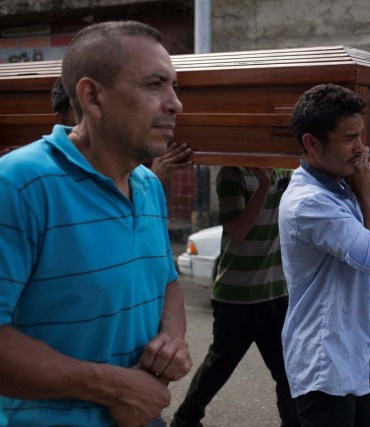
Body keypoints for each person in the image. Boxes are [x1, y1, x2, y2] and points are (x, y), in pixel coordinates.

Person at [0, 21, 192, 427]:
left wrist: (172, 338)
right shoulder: (18, 184)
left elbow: (167, 283)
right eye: (155, 84)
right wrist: (113, 387)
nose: (175, 103)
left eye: (175, 86)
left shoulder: (147, 185)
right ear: (92, 97)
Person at [279, 83, 370, 427]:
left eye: (361, 136)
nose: (361, 149)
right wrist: (369, 193)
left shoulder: (339, 185)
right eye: (349, 139)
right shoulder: (311, 203)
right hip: (324, 364)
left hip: (353, 356)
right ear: (311, 144)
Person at [171, 166, 299, 427]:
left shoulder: (285, 170)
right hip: (237, 296)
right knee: (219, 367)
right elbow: (238, 232)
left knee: (288, 372)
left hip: (275, 292)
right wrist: (264, 186)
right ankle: (185, 420)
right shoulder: (232, 173)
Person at [51, 75, 193, 185]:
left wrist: (152, 181)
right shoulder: (44, 176)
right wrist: (155, 177)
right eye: (83, 114)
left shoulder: (139, 175)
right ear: (60, 121)